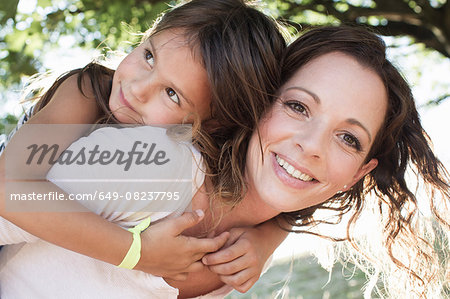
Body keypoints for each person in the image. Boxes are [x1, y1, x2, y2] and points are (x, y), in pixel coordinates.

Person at [2, 25, 447, 298]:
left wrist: (271, 231)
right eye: (297, 106)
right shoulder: (152, 165)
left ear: (358, 175)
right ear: (252, 104)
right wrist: (135, 251)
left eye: (348, 138)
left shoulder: (245, 244)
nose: (311, 146)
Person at [0, 0, 288, 292]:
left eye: (172, 94)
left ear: (213, 126)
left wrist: (268, 235)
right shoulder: (87, 90)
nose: (137, 88)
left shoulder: (185, 168)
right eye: (149, 56)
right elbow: (6, 184)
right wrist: (137, 252)